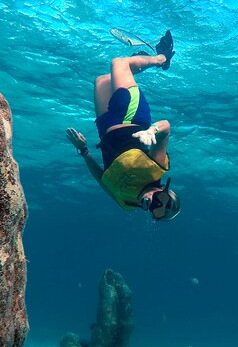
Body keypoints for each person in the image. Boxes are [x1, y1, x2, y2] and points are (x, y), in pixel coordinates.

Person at [66, 30, 180, 221]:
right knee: (118, 63)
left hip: (106, 127)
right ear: (163, 188)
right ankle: (161, 58)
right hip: (131, 116)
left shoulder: (125, 202)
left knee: (102, 80)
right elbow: (166, 127)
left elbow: (101, 179)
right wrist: (152, 131)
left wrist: (83, 151)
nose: (152, 202)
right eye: (160, 199)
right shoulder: (157, 168)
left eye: (156, 210)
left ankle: (137, 65)